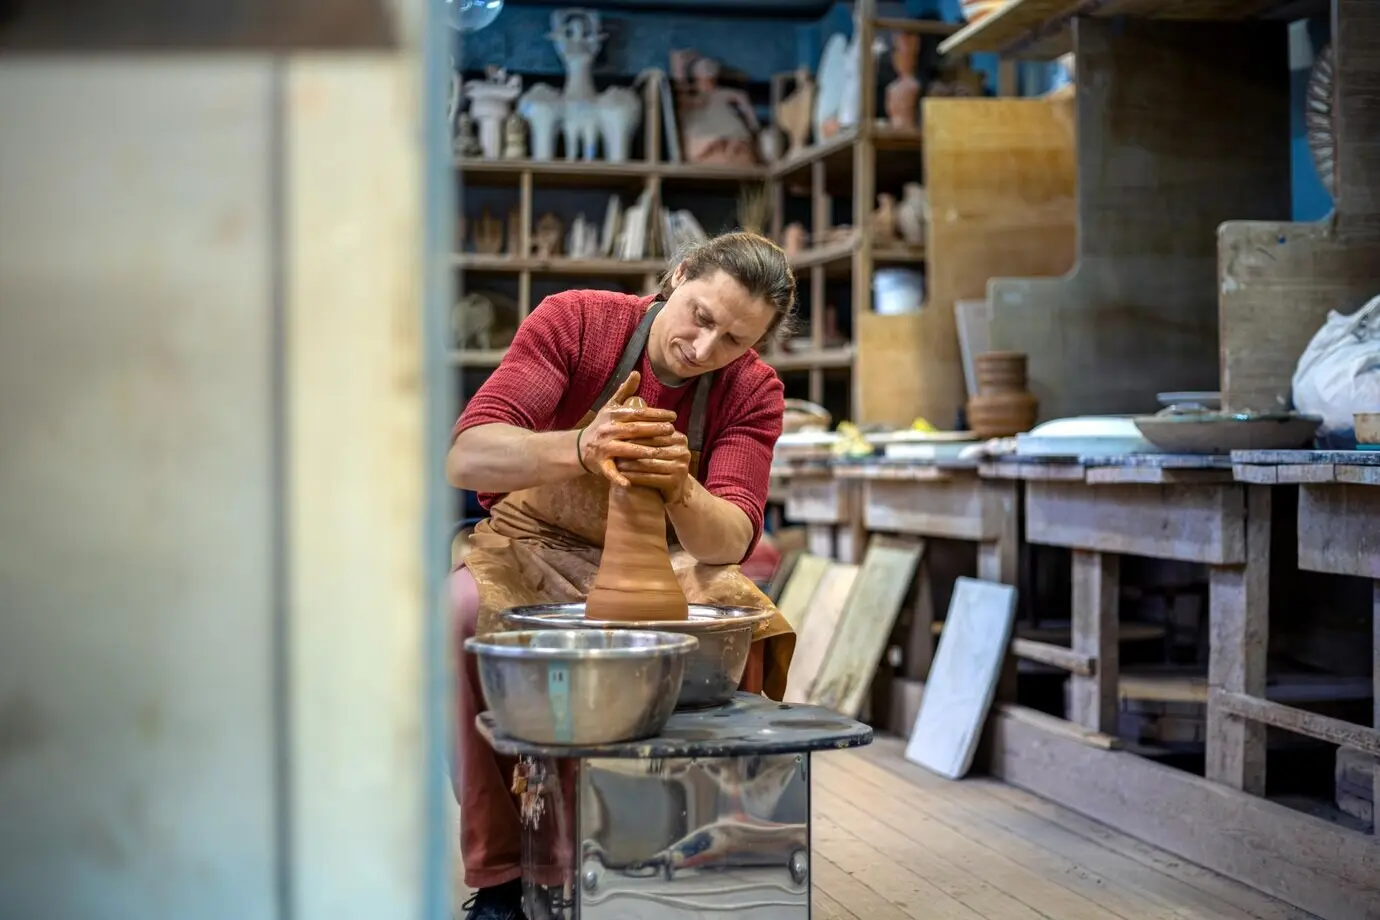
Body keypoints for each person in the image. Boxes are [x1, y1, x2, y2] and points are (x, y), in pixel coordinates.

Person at [447, 230, 799, 920]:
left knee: (749, 627)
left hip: (658, 562)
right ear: (677, 276)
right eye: (700, 316)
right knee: (459, 617)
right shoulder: (579, 322)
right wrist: (581, 446)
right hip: (531, 543)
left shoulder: (751, 390)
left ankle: (694, 854)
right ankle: (499, 878)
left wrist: (681, 489)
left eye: (732, 340)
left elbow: (729, 537)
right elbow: (468, 457)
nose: (703, 349)